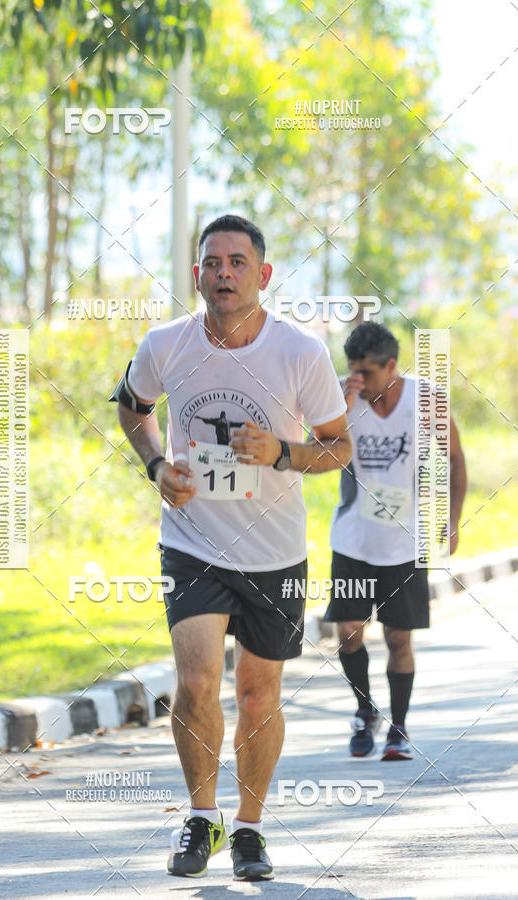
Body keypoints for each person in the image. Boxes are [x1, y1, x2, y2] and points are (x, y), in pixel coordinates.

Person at [110, 214, 351, 881]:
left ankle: (248, 829)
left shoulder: (299, 352)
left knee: (257, 694)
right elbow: (131, 405)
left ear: (263, 275)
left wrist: (282, 452)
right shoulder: (165, 344)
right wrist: (157, 466)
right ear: (197, 275)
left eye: (238, 263)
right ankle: (200, 818)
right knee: (195, 683)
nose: (224, 274)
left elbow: (339, 444)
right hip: (191, 544)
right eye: (212, 263)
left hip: (274, 551)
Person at [324, 322, 467, 760]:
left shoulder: (426, 399)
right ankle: (365, 711)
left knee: (399, 638)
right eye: (352, 371)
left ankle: (398, 728)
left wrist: (453, 519)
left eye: (366, 373)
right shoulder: (344, 400)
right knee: (348, 632)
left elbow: (456, 459)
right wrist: (340, 407)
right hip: (352, 539)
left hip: (404, 543)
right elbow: (317, 455)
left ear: (391, 366)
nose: (358, 380)